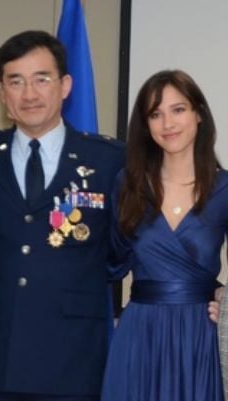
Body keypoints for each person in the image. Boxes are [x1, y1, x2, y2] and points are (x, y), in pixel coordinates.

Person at [0, 30, 125, 401]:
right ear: (3, 93)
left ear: (65, 85)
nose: (29, 94)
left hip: (73, 359)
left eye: (41, 79)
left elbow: (124, 248)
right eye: (15, 82)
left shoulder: (108, 159)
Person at [101, 70, 225, 401]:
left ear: (199, 113)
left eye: (178, 109)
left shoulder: (224, 188)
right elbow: (110, 264)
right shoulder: (127, 184)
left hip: (199, 335)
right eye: (155, 114)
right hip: (140, 333)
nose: (167, 123)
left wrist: (226, 301)